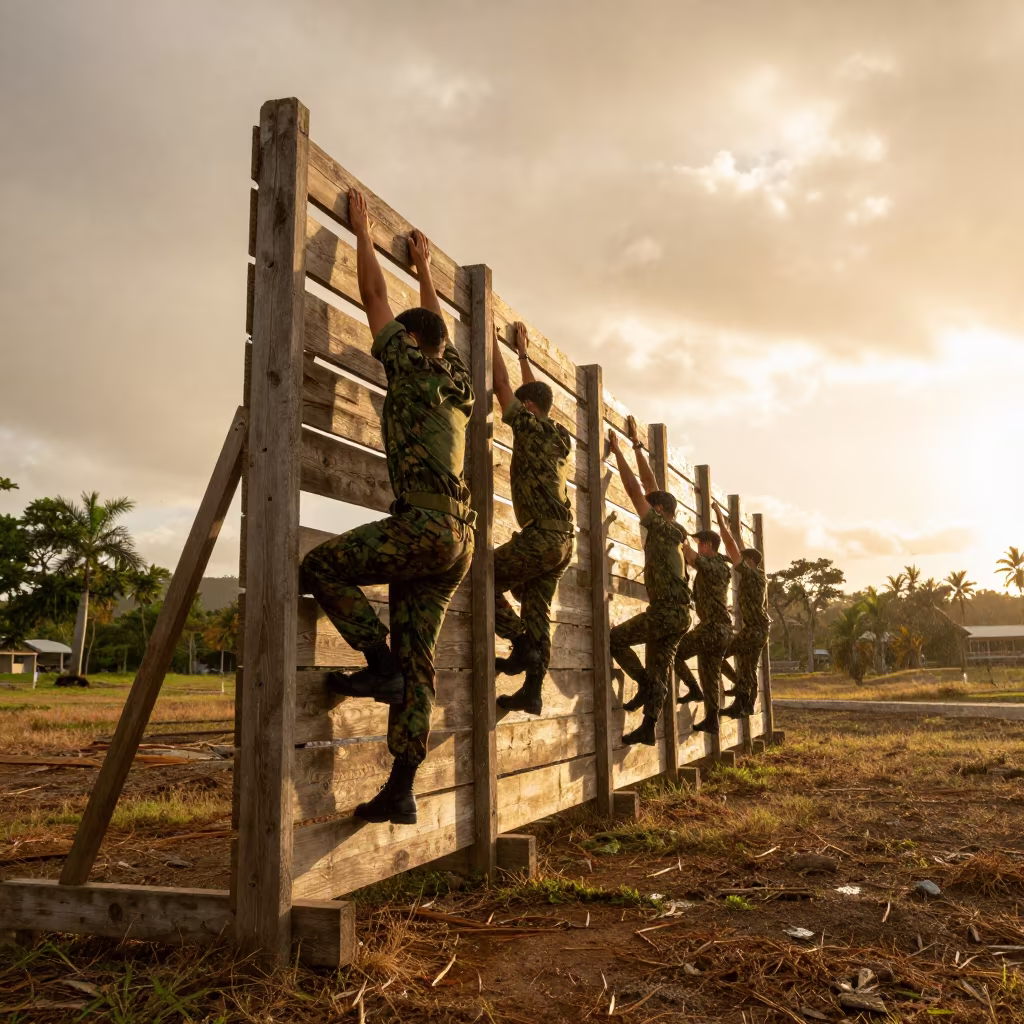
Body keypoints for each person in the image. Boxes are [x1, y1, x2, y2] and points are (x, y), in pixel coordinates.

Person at [300, 188, 475, 826]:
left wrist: (362, 231)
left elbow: (376, 300)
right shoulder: (455, 381)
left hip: (423, 525)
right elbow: (436, 324)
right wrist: (425, 270)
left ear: (406, 342)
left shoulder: (405, 364)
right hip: (457, 539)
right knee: (420, 660)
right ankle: (399, 790)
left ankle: (377, 665)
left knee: (319, 568)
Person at [491, 322, 575, 715]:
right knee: (536, 607)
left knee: (481, 575)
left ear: (527, 411)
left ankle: (520, 643)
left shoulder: (527, 424)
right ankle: (533, 690)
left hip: (541, 536)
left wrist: (489, 338)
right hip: (562, 543)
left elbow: (502, 385)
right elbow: (534, 395)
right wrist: (524, 354)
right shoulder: (556, 434)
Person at [607, 417, 691, 746]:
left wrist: (618, 451)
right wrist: (638, 447)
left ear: (657, 509)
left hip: (667, 611)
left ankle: (643, 685)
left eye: (651, 502)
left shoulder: (658, 526)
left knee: (616, 640)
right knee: (660, 668)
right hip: (681, 615)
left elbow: (634, 489)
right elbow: (651, 485)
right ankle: (649, 725)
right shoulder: (676, 531)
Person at [712, 501, 770, 717]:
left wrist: (719, 517)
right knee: (748, 667)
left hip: (754, 629)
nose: (740, 560)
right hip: (758, 630)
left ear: (751, 562)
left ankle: (741, 695)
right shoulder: (756, 574)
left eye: (744, 558)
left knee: (723, 653)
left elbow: (730, 543)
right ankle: (745, 704)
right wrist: (732, 521)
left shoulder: (753, 574)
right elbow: (738, 542)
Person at [675, 522, 733, 734]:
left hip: (713, 628)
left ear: (708, 545)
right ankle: (712, 719)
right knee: (710, 675)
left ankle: (693, 689)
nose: (698, 547)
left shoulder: (716, 565)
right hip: (720, 630)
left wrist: (681, 538)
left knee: (674, 652)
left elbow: (692, 558)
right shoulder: (716, 566)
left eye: (700, 544)